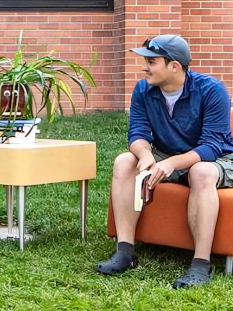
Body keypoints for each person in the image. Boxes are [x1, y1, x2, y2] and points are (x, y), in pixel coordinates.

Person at [96, 34, 233, 288]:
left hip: (218, 157)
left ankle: (201, 265)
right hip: (167, 152)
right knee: (125, 162)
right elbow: (137, 132)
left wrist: (171, 164)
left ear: (175, 66)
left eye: (152, 61)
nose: (144, 66)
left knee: (201, 172)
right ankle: (125, 252)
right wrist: (146, 155)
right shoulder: (143, 89)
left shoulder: (212, 90)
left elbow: (212, 146)